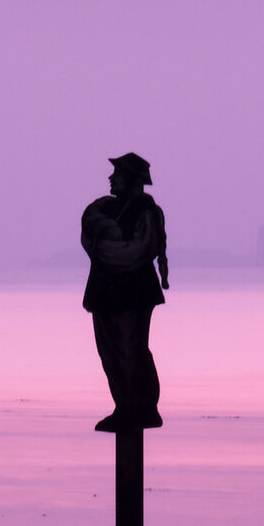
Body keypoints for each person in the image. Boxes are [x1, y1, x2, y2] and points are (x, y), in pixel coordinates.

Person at [81, 153, 167, 432]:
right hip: (104, 293)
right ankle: (124, 406)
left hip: (134, 293)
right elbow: (91, 241)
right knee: (109, 352)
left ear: (131, 180)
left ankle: (140, 407)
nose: (110, 178)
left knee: (131, 349)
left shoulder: (146, 212)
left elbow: (138, 251)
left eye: (116, 174)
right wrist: (103, 246)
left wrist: (105, 250)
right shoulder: (103, 211)